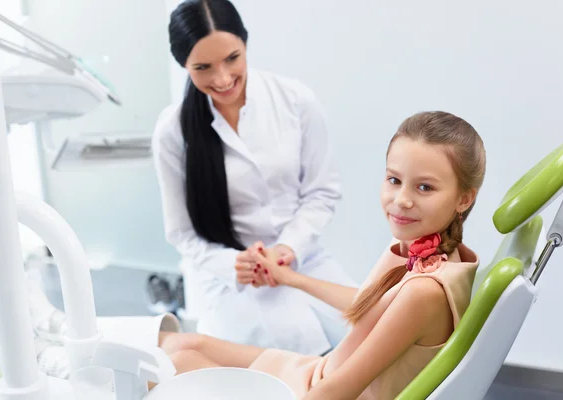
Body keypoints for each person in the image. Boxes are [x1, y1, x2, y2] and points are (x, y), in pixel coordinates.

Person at [154, 111, 487, 399]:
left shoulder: (424, 291)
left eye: (424, 187)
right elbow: (368, 307)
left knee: (177, 362)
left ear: (464, 199)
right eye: (394, 180)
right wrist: (290, 278)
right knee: (183, 344)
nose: (402, 199)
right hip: (316, 373)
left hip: (318, 390)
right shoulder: (436, 256)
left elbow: (340, 390)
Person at [151, 0, 356, 355]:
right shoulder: (172, 131)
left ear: (245, 44)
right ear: (184, 65)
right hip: (230, 281)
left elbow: (321, 192)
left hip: (305, 260)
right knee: (278, 370)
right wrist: (235, 265)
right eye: (202, 67)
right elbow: (183, 233)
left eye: (232, 58)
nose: (222, 78)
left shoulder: (295, 100)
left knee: (369, 338)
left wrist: (287, 248)